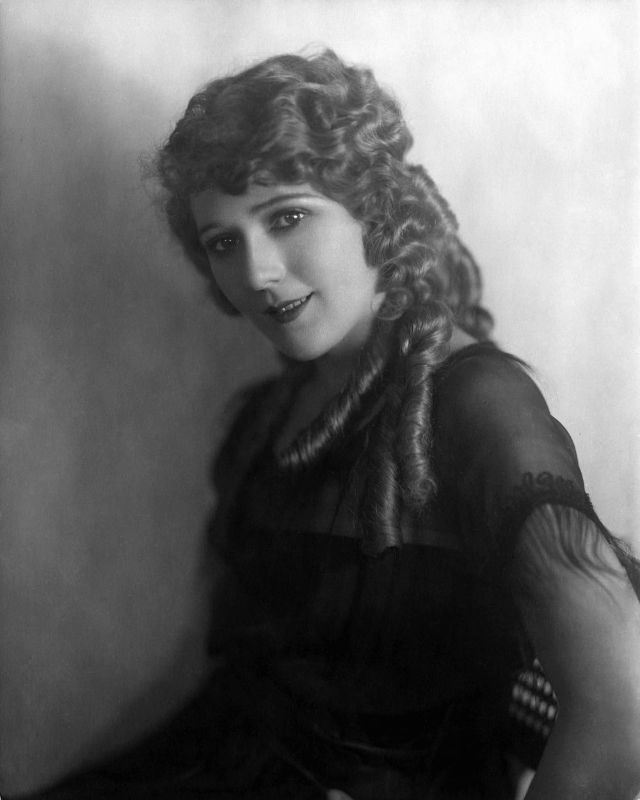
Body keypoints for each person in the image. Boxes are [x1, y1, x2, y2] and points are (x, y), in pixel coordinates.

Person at [29, 49, 640, 800]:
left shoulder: (477, 403)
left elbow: (622, 704)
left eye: (287, 217)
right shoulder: (264, 419)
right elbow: (215, 671)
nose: (256, 271)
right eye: (223, 242)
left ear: (374, 213)